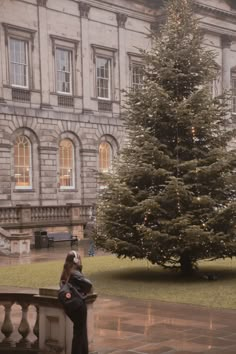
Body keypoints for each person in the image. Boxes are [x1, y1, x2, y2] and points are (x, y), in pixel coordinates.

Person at [60, 250, 93, 354]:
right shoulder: (75, 273)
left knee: (78, 332)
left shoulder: (65, 272)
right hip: (79, 306)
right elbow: (89, 285)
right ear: (76, 260)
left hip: (71, 307)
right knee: (80, 333)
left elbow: (63, 286)